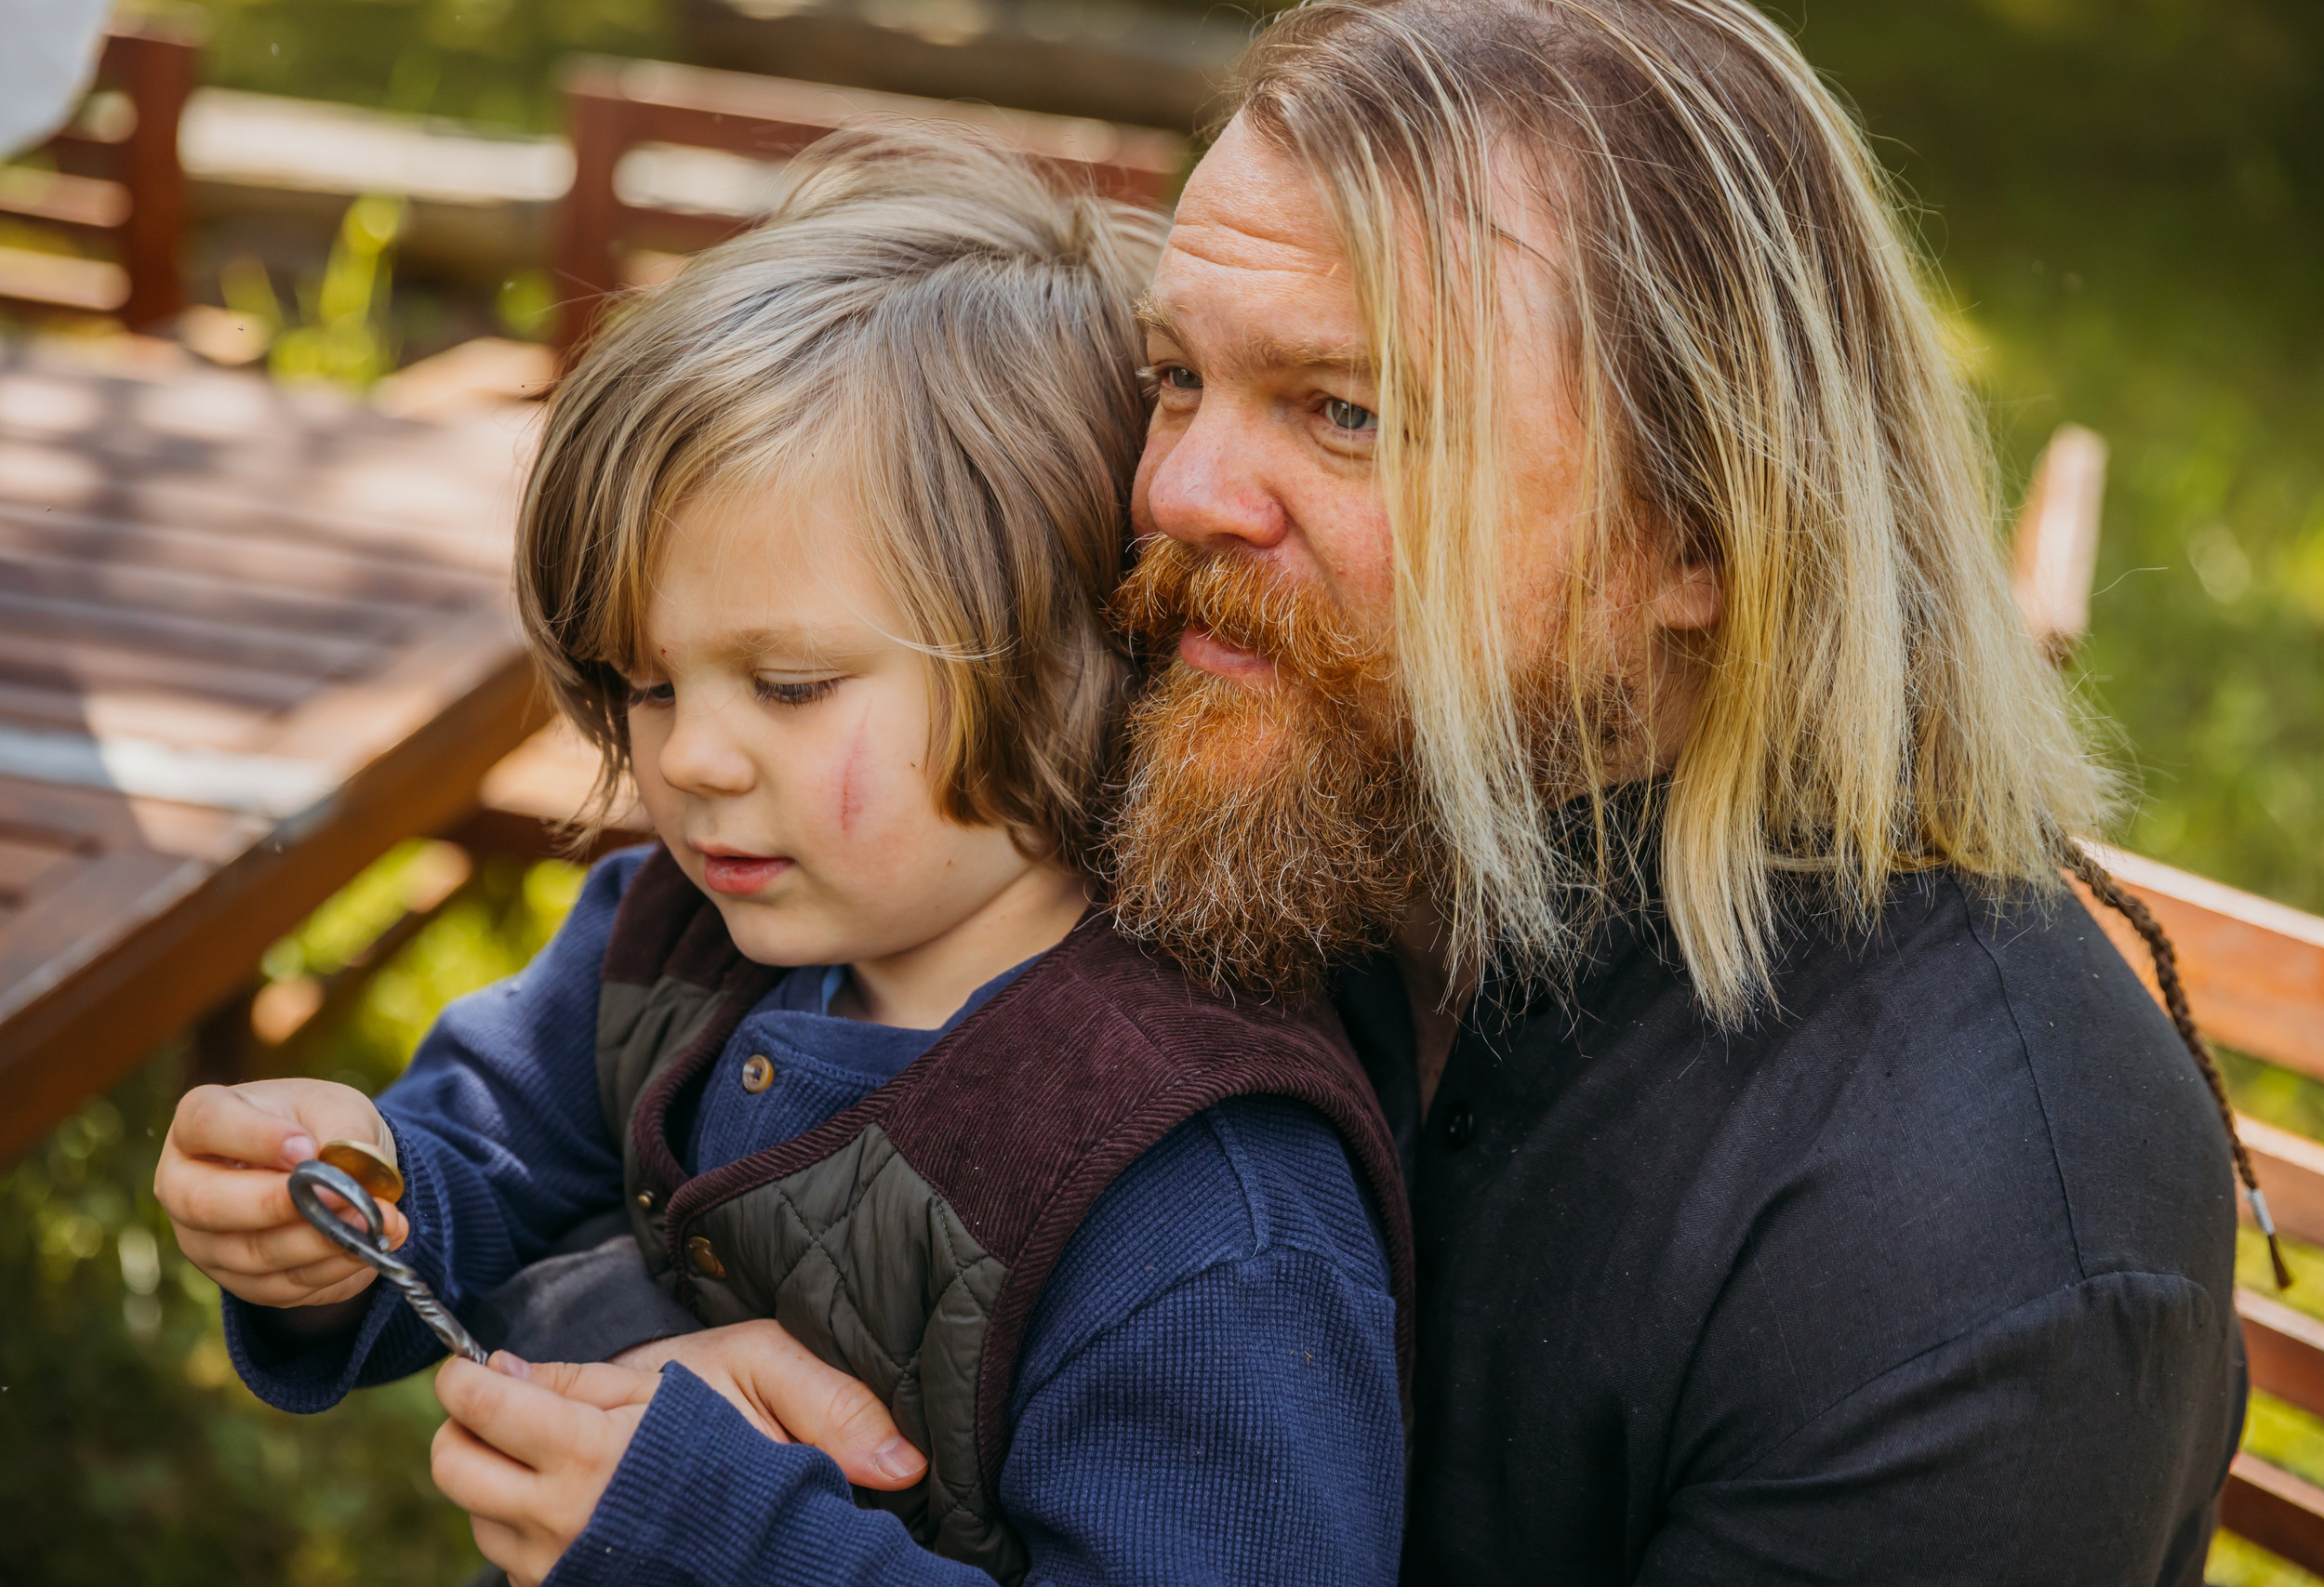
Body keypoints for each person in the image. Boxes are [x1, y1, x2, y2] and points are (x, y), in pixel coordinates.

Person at [597, 1, 2249, 1580]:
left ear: (1699, 534)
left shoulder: (1970, 1231)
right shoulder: (1231, 812)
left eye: (1346, 411)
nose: (1180, 489)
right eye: (1176, 376)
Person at [153, 130, 1411, 1587]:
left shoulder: (1198, 1203)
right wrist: (354, 1210)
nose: (691, 759)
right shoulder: (673, 934)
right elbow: (479, 1149)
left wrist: (719, 1538)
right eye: (649, 683)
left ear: (1074, 651)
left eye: (792, 686)